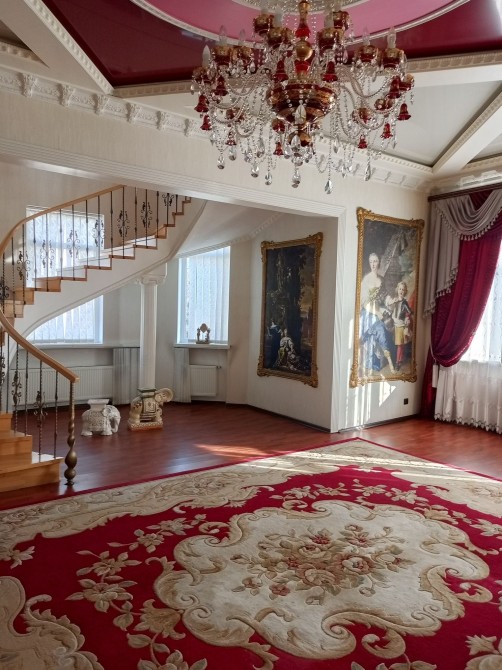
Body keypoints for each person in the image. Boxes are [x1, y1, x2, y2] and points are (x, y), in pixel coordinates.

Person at [359, 252, 395, 375]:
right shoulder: (366, 280)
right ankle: (370, 362)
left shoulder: (381, 279)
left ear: (379, 262)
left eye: (375, 261)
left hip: (378, 311)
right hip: (368, 313)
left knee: (386, 325)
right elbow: (365, 303)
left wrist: (390, 301)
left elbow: (385, 297)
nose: (373, 264)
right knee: (377, 327)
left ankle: (380, 361)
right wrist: (377, 312)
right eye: (371, 262)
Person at [385, 281, 413, 371]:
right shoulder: (395, 300)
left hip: (400, 325)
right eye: (400, 289)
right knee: (397, 344)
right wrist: (392, 303)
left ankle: (398, 362)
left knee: (400, 345)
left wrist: (407, 318)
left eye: (403, 290)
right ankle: (398, 359)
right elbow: (389, 306)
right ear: (397, 290)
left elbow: (409, 312)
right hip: (394, 324)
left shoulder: (404, 302)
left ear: (405, 291)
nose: (401, 291)